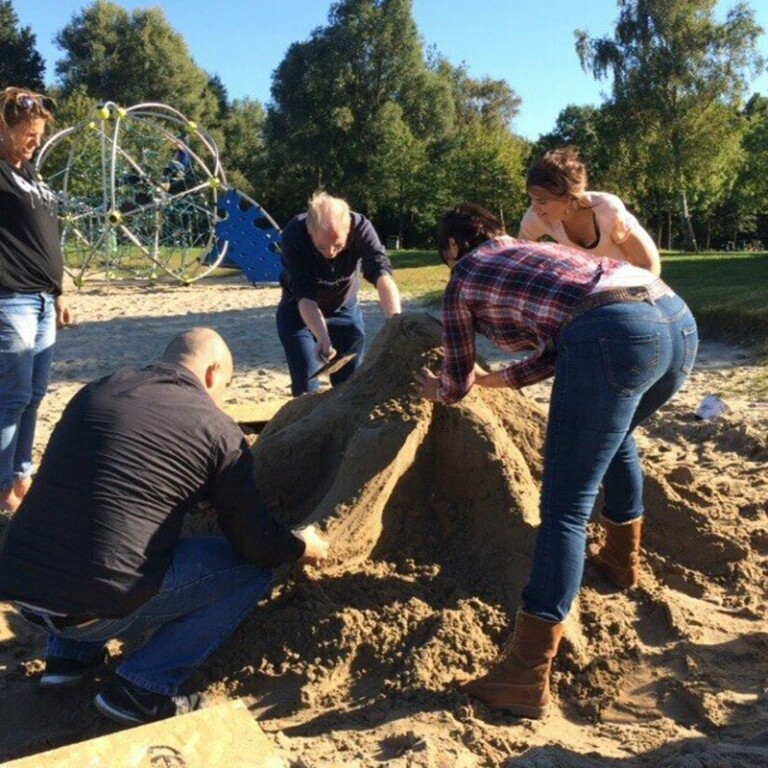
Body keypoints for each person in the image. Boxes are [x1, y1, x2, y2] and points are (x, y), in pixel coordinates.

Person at [415, 203, 697, 718]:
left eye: (444, 253)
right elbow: (563, 341)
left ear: (454, 247)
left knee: (565, 504)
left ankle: (524, 676)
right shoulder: (535, 254)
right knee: (617, 434)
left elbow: (454, 381)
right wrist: (495, 380)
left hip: (616, 331)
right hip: (676, 321)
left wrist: (442, 388)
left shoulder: (466, 275)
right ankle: (620, 559)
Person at [0, 328, 329, 725]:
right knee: (251, 572)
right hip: (96, 605)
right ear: (212, 373)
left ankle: (68, 659)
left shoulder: (97, 391)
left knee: (94, 523)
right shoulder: (217, 429)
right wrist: (300, 546)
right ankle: (142, 689)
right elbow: (255, 542)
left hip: (20, 586)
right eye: (226, 385)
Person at [0, 87, 71, 513]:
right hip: (11, 300)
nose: (36, 142)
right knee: (11, 396)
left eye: (40, 134)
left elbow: (45, 238)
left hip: (44, 300)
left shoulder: (30, 174)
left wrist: (60, 290)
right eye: (28, 134)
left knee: (34, 394)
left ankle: (21, 473)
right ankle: (1, 484)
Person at [277, 191, 401, 396]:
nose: (331, 253)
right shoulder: (294, 234)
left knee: (350, 387)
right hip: (299, 311)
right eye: (323, 246)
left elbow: (381, 273)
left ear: (349, 231)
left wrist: (395, 321)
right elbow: (304, 295)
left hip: (344, 308)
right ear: (310, 229)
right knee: (307, 387)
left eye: (338, 245)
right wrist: (323, 337)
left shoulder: (361, 228)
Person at [519, 146, 661, 276]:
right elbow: (519, 260)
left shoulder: (607, 210)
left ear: (568, 197)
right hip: (589, 289)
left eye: (542, 201)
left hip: (628, 283)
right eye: (532, 199)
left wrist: (639, 297)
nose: (534, 207)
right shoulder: (535, 217)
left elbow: (648, 265)